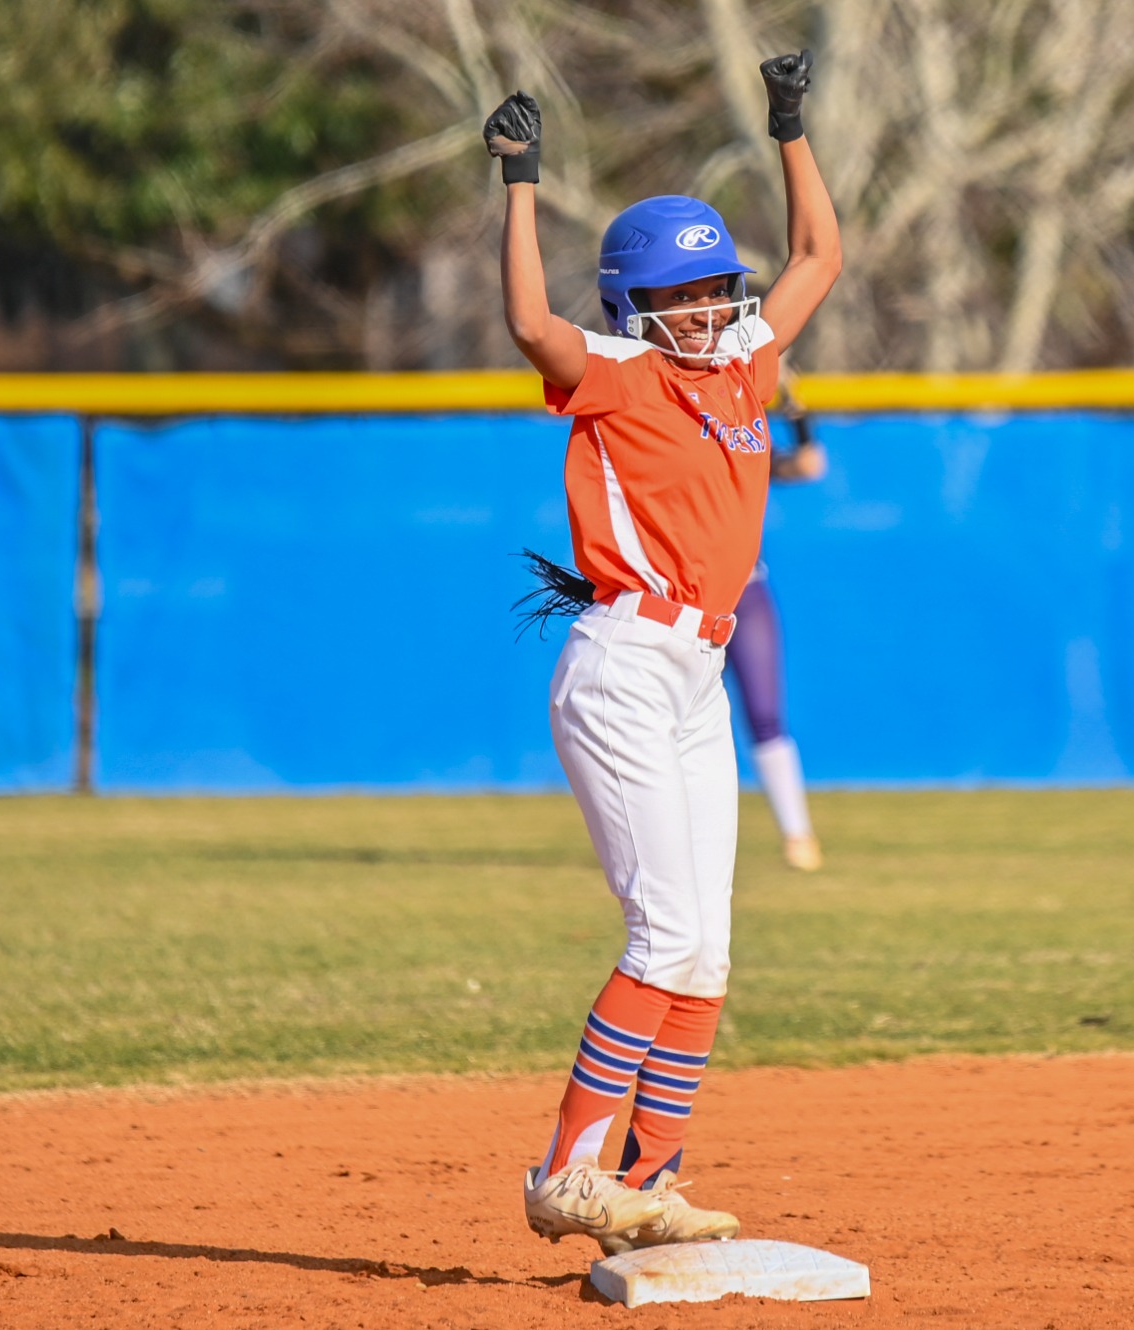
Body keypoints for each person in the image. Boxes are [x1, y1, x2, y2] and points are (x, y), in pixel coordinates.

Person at [483, 49, 839, 1259]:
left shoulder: (745, 363)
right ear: (637, 305)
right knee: (659, 935)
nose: (704, 309)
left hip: (696, 673)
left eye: (713, 289)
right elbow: (530, 321)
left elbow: (818, 261)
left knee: (708, 946)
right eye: (681, 296)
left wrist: (791, 127)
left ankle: (651, 1179)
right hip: (625, 665)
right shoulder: (619, 373)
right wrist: (520, 181)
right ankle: (567, 1173)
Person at [727, 370, 827, 871]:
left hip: (743, 592)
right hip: (676, 598)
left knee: (765, 715)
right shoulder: (672, 431)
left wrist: (798, 411)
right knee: (666, 723)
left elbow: (810, 465)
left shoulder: (748, 445)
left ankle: (797, 833)